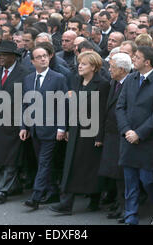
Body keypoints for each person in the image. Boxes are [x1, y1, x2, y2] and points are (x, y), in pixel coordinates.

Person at [116, 46, 153, 225]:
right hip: (128, 139)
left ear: (147, 62)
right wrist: (126, 130)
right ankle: (131, 214)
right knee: (129, 180)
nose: (133, 59)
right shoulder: (131, 79)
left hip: (148, 141)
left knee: (147, 180)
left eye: (137, 57)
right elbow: (120, 107)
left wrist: (139, 133)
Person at [49, 51, 109, 215]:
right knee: (71, 166)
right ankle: (66, 203)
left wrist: (99, 136)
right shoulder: (76, 80)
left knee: (89, 168)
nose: (79, 66)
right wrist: (67, 128)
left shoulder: (102, 84)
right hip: (76, 130)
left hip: (91, 133)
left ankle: (93, 199)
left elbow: (103, 112)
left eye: (83, 64)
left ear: (94, 67)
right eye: (79, 63)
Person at [21, 46, 68, 210]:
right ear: (32, 61)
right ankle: (52, 190)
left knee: (44, 162)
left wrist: (62, 128)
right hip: (34, 129)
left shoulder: (58, 78)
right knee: (45, 163)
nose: (43, 59)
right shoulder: (28, 79)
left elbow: (63, 104)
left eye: (45, 56)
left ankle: (36, 196)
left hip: (51, 129)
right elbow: (26, 104)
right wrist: (24, 126)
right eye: (39, 57)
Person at [0, 40, 29, 204]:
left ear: (13, 57)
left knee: (12, 158)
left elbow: (26, 101)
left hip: (15, 124)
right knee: (3, 157)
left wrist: (24, 124)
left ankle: (3, 190)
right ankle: (14, 186)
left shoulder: (24, 74)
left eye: (4, 55)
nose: (0, 57)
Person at [98, 52, 133, 220]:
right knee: (115, 173)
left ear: (121, 68)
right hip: (111, 133)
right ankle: (119, 204)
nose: (109, 69)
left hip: (122, 134)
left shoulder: (131, 84)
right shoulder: (115, 82)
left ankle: (126, 207)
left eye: (112, 67)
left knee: (122, 175)